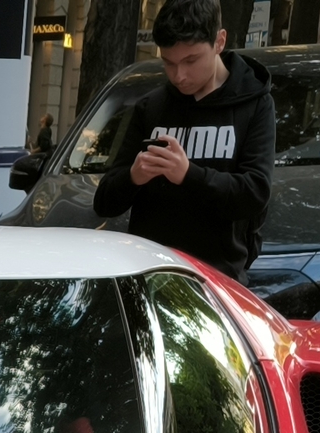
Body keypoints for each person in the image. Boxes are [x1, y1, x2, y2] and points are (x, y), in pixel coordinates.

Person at [90, 0, 276, 281]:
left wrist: (189, 174)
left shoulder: (254, 104)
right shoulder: (151, 107)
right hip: (151, 275)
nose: (179, 76)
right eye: (169, 63)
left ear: (219, 42)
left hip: (217, 280)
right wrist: (133, 177)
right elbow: (104, 202)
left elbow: (254, 194)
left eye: (191, 61)